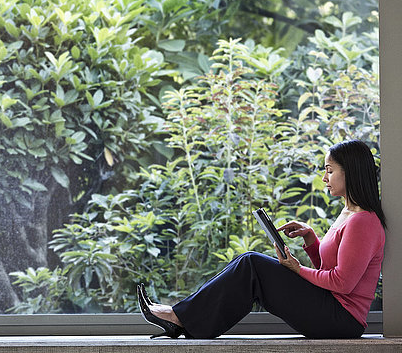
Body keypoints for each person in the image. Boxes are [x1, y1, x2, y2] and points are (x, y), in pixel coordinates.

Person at [137, 140, 386, 339]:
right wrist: (311, 239)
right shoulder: (348, 214)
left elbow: (342, 283)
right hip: (332, 308)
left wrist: (297, 269)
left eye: (329, 171)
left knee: (252, 264)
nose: (324, 178)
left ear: (350, 172)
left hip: (342, 319)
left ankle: (180, 318)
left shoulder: (363, 221)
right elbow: (329, 268)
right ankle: (185, 319)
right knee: (250, 265)